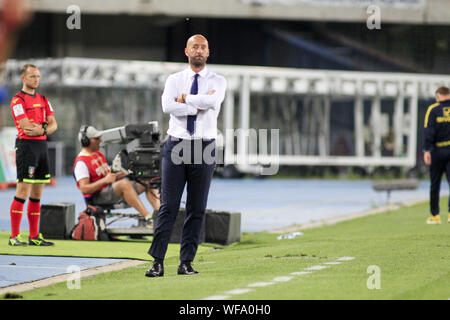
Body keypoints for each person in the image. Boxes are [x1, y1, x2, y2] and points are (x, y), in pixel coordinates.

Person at [145, 34, 227, 277]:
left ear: (208, 52)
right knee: (168, 206)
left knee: (196, 207)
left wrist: (186, 99)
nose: (199, 51)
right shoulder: (174, 79)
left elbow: (214, 101)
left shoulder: (218, 80)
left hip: (204, 146)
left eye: (203, 47)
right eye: (195, 47)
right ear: (187, 51)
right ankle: (157, 262)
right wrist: (198, 105)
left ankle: (186, 262)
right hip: (177, 145)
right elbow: (167, 107)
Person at [9, 64, 58, 246]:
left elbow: (54, 125)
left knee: (37, 193)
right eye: (32, 76)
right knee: (22, 191)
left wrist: (41, 128)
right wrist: (42, 128)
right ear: (23, 78)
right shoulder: (17, 100)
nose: (36, 79)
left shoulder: (44, 99)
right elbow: (25, 127)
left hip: (41, 147)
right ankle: (14, 236)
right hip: (26, 147)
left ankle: (34, 236)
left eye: (38, 76)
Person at [72, 125, 160, 221]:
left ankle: (160, 215)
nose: (100, 141)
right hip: (97, 198)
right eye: (96, 138)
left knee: (147, 181)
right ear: (87, 141)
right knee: (124, 184)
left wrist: (125, 173)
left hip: (109, 189)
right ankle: (148, 218)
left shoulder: (98, 154)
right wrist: (105, 181)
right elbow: (84, 189)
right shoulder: (81, 163)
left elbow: (110, 177)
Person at [423, 86, 450, 225]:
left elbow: (429, 131)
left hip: (438, 151)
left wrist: (427, 150)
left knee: (435, 184)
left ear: (438, 96)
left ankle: (435, 215)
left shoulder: (433, 110)